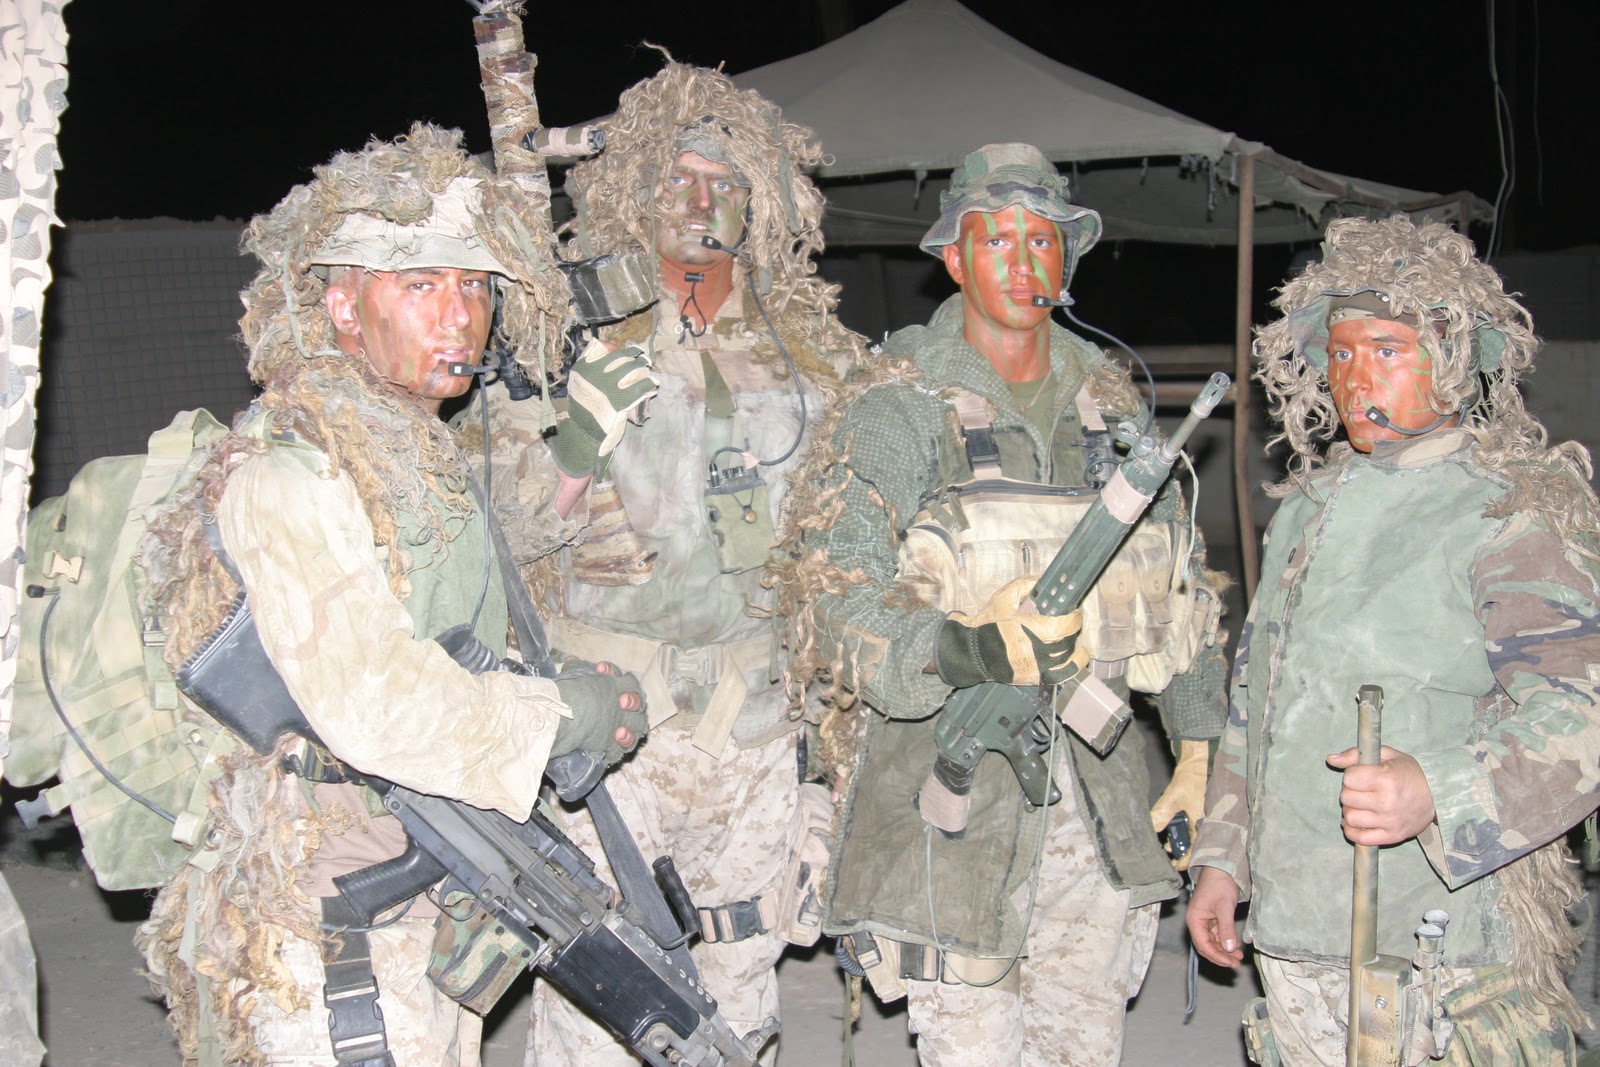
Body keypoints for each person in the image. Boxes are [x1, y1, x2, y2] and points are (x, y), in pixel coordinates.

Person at [133, 124, 649, 1067]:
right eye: (420, 286)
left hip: (424, 866)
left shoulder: (413, 452)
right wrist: (561, 714)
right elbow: (381, 704)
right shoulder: (291, 468)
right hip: (324, 909)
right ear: (341, 306)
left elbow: (453, 618)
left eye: (476, 286)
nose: (459, 315)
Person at [770, 143, 1230, 1065]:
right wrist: (969, 647)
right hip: (951, 809)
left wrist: (1196, 754)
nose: (1024, 264)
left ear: (1070, 258)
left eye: (1043, 241)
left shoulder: (1115, 413)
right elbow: (832, 598)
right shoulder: (899, 406)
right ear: (954, 258)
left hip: (1099, 817)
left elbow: (1180, 594)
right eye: (997, 241)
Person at [470, 61, 862, 1065]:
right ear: (634, 193)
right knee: (607, 988)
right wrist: (575, 444)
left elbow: (844, 551)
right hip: (610, 723)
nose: (700, 201)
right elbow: (499, 537)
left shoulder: (810, 359)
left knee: (741, 974)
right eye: (677, 179)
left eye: (724, 183)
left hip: (756, 726)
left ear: (758, 204)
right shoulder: (565, 345)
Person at [1186, 214, 1600, 1065]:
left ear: (1454, 358)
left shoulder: (1507, 509)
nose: (1354, 377)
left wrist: (1438, 789)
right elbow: (1258, 703)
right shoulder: (1308, 506)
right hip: (1300, 928)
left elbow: (1581, 712)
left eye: (1387, 349)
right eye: (1340, 354)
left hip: (1439, 947)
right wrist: (1225, 858)